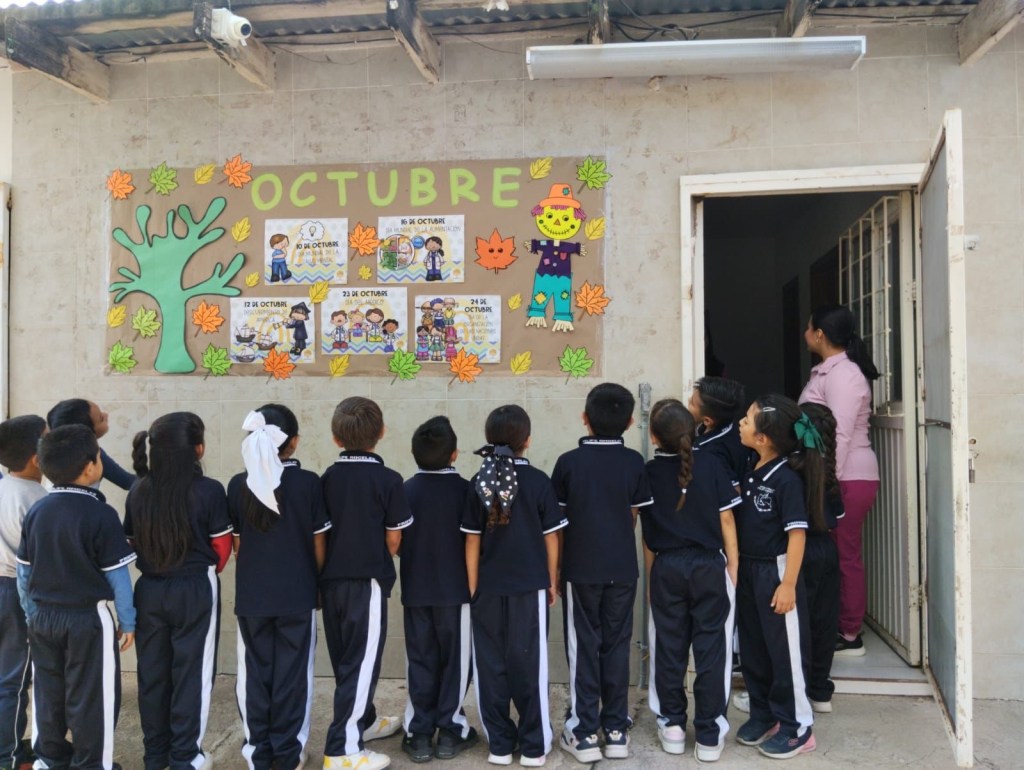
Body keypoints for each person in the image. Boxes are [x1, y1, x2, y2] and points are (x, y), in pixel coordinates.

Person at [16, 425, 136, 770]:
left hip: (42, 616)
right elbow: (118, 577)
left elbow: (24, 573)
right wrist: (128, 621)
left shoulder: (38, 510)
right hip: (87, 619)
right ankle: (90, 763)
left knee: (48, 693)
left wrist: (31, 615)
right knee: (92, 696)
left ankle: (51, 760)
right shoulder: (101, 513)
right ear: (89, 468)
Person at [551, 383, 652, 763]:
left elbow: (558, 526)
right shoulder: (633, 462)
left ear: (585, 418)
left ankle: (583, 731)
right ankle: (615, 729)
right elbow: (634, 515)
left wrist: (556, 569)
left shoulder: (568, 463)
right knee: (616, 645)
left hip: (581, 569)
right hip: (622, 568)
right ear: (629, 421)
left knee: (583, 646)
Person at [125, 412, 232, 770]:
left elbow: (131, 541)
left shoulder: (138, 489)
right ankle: (186, 756)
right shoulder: (209, 490)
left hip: (148, 589)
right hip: (194, 587)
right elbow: (221, 549)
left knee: (152, 674)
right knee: (192, 673)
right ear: (198, 449)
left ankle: (155, 756)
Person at [462, 405, 566, 767]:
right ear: (527, 441)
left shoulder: (478, 481)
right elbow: (552, 538)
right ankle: (534, 746)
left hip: (487, 589)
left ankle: (500, 746)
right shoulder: (538, 481)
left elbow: (471, 540)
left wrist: (473, 588)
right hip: (529, 589)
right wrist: (551, 580)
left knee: (490, 665)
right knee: (529, 665)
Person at [227, 405, 330, 770]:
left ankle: (258, 753)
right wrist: (316, 581)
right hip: (297, 595)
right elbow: (319, 543)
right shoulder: (308, 483)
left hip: (252, 597)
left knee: (254, 676)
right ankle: (288, 754)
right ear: (294, 442)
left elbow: (238, 545)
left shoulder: (237, 485)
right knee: (293, 676)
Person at [641, 400, 740, 762]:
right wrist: (733, 567)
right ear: (694, 430)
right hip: (709, 566)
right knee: (712, 649)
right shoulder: (712, 464)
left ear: (654, 437)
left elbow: (647, 536)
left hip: (666, 566)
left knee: (668, 648)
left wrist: (652, 578)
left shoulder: (649, 472)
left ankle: (672, 726)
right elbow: (727, 520)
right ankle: (710, 734)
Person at [320, 397, 411, 770]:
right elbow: (394, 539)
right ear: (382, 432)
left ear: (336, 438)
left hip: (330, 584)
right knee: (361, 664)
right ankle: (342, 750)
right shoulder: (389, 480)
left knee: (346, 660)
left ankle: (365, 720)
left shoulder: (326, 479)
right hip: (366, 585)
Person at [734, 395, 825, 759]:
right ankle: (764, 713)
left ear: (763, 438)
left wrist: (788, 584)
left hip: (775, 572)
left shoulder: (786, 479)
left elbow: (797, 535)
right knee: (753, 649)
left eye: (747, 419)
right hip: (749, 570)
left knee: (784, 653)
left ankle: (797, 727)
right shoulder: (753, 468)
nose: (741, 423)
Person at [799, 305, 880, 657]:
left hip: (848, 477)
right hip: (839, 476)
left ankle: (850, 633)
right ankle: (838, 623)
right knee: (835, 551)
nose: (805, 333)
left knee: (844, 553)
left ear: (819, 334)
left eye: (808, 327)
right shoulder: (827, 370)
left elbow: (841, 434)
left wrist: (827, 482)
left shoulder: (844, 375)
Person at [399, 416, 478, 763]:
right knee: (456, 662)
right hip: (456, 593)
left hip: (416, 591)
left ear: (414, 453)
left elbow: (397, 541)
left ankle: (418, 733)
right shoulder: (467, 491)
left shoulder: (405, 490)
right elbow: (474, 541)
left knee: (420, 659)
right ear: (454, 454)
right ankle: (449, 728)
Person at [0, 416, 48, 770]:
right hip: (17, 592)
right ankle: (9, 756)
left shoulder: (3, 488)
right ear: (36, 458)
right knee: (13, 682)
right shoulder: (38, 499)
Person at [796, 403, 844, 714]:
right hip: (826, 549)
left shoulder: (790, 472)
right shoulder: (828, 471)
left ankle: (795, 691)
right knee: (823, 622)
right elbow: (838, 514)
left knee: (795, 625)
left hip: (797, 549)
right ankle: (820, 690)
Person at [46, 399, 136, 491]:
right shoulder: (92, 454)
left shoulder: (53, 453)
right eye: (101, 418)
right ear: (87, 432)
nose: (106, 415)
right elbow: (128, 482)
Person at [687, 376, 751, 487]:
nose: (688, 400)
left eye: (692, 403)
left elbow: (734, 490)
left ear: (707, 421)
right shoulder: (731, 427)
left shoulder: (712, 453)